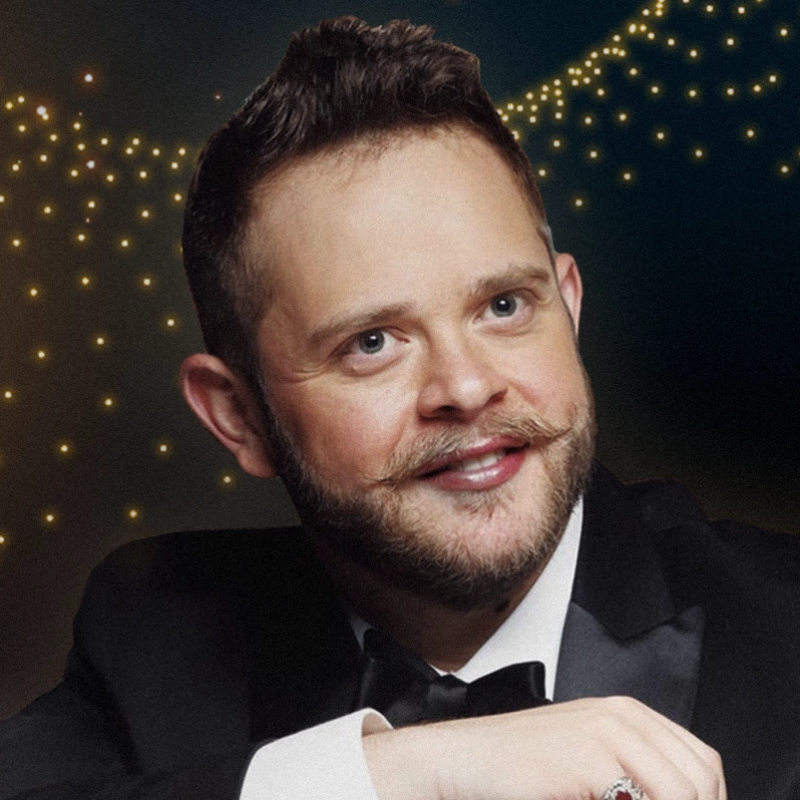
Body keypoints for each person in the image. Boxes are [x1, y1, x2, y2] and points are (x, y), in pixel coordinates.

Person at [1, 16, 798, 800]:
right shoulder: (154, 633)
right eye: (373, 342)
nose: (466, 385)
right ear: (237, 416)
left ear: (569, 306)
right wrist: (398, 772)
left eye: (504, 306)